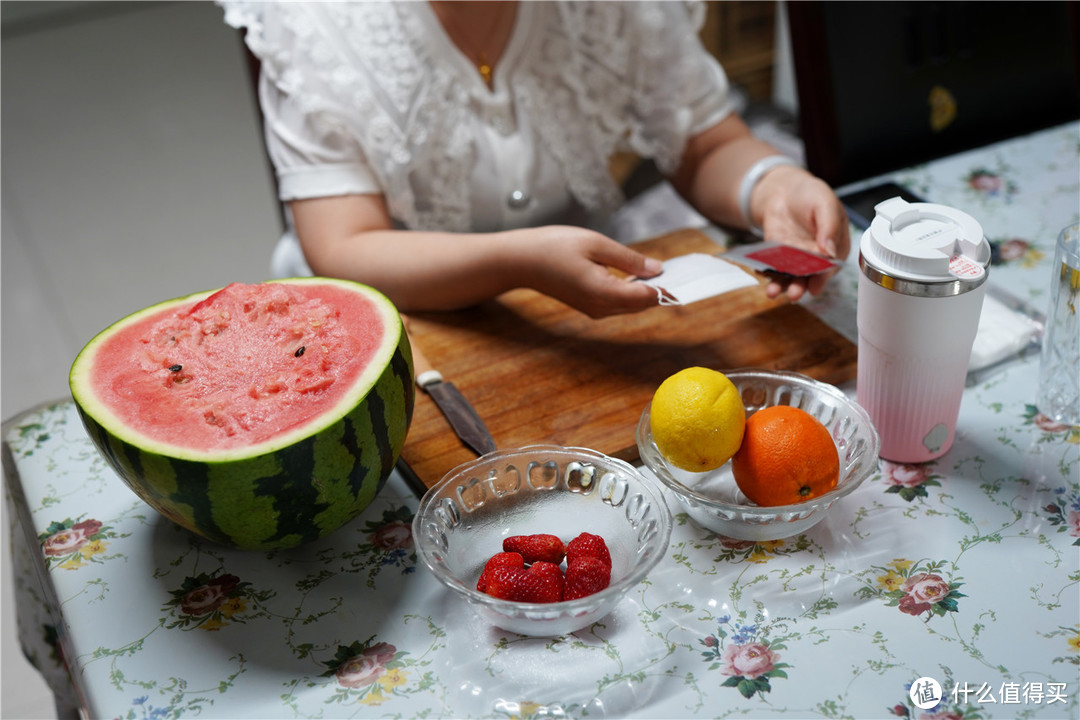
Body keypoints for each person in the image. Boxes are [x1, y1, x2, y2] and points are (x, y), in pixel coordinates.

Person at [221, 1, 850, 318]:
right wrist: (520, 261)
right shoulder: (312, 22)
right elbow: (345, 245)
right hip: (399, 318)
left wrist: (771, 186)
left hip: (590, 315)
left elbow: (707, 143)